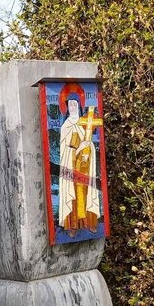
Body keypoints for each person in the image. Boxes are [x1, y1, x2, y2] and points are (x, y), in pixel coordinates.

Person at [58, 93, 100, 235]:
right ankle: (73, 225)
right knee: (73, 193)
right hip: (71, 164)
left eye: (75, 104)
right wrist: (76, 149)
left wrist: (87, 146)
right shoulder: (66, 126)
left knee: (87, 191)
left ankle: (89, 222)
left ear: (79, 106)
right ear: (67, 108)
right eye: (70, 105)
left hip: (85, 165)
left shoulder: (84, 123)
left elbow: (89, 142)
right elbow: (64, 149)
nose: (73, 107)